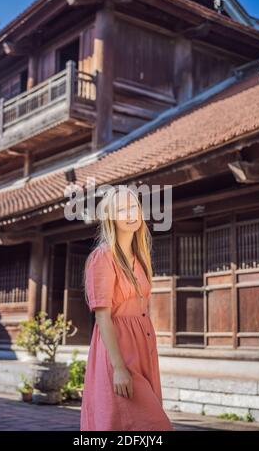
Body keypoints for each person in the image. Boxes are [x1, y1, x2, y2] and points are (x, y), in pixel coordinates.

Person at [80, 185, 174, 431]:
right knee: (149, 425)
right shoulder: (103, 257)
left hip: (142, 347)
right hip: (118, 349)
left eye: (133, 206)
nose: (130, 213)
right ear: (111, 217)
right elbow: (103, 316)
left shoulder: (139, 258)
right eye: (122, 209)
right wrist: (119, 367)